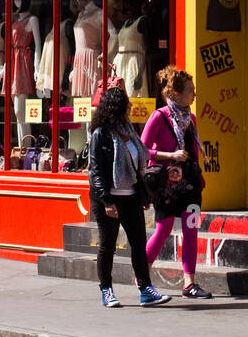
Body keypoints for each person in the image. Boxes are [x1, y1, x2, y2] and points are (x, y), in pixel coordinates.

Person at [88, 85, 171, 308]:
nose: (129, 106)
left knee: (138, 243)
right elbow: (95, 171)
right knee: (108, 245)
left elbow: (138, 166)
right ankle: (106, 290)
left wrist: (144, 197)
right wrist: (106, 201)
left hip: (131, 195)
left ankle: (145, 289)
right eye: (125, 103)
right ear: (116, 107)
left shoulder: (129, 131)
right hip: (109, 198)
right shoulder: (100, 135)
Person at [142, 66, 212, 299]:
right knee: (163, 229)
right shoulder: (159, 117)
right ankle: (142, 275)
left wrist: (199, 177)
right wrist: (169, 155)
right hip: (166, 184)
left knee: (191, 230)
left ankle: (189, 283)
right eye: (191, 90)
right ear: (177, 94)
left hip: (189, 184)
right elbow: (143, 150)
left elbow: (191, 149)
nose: (194, 94)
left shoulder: (190, 118)